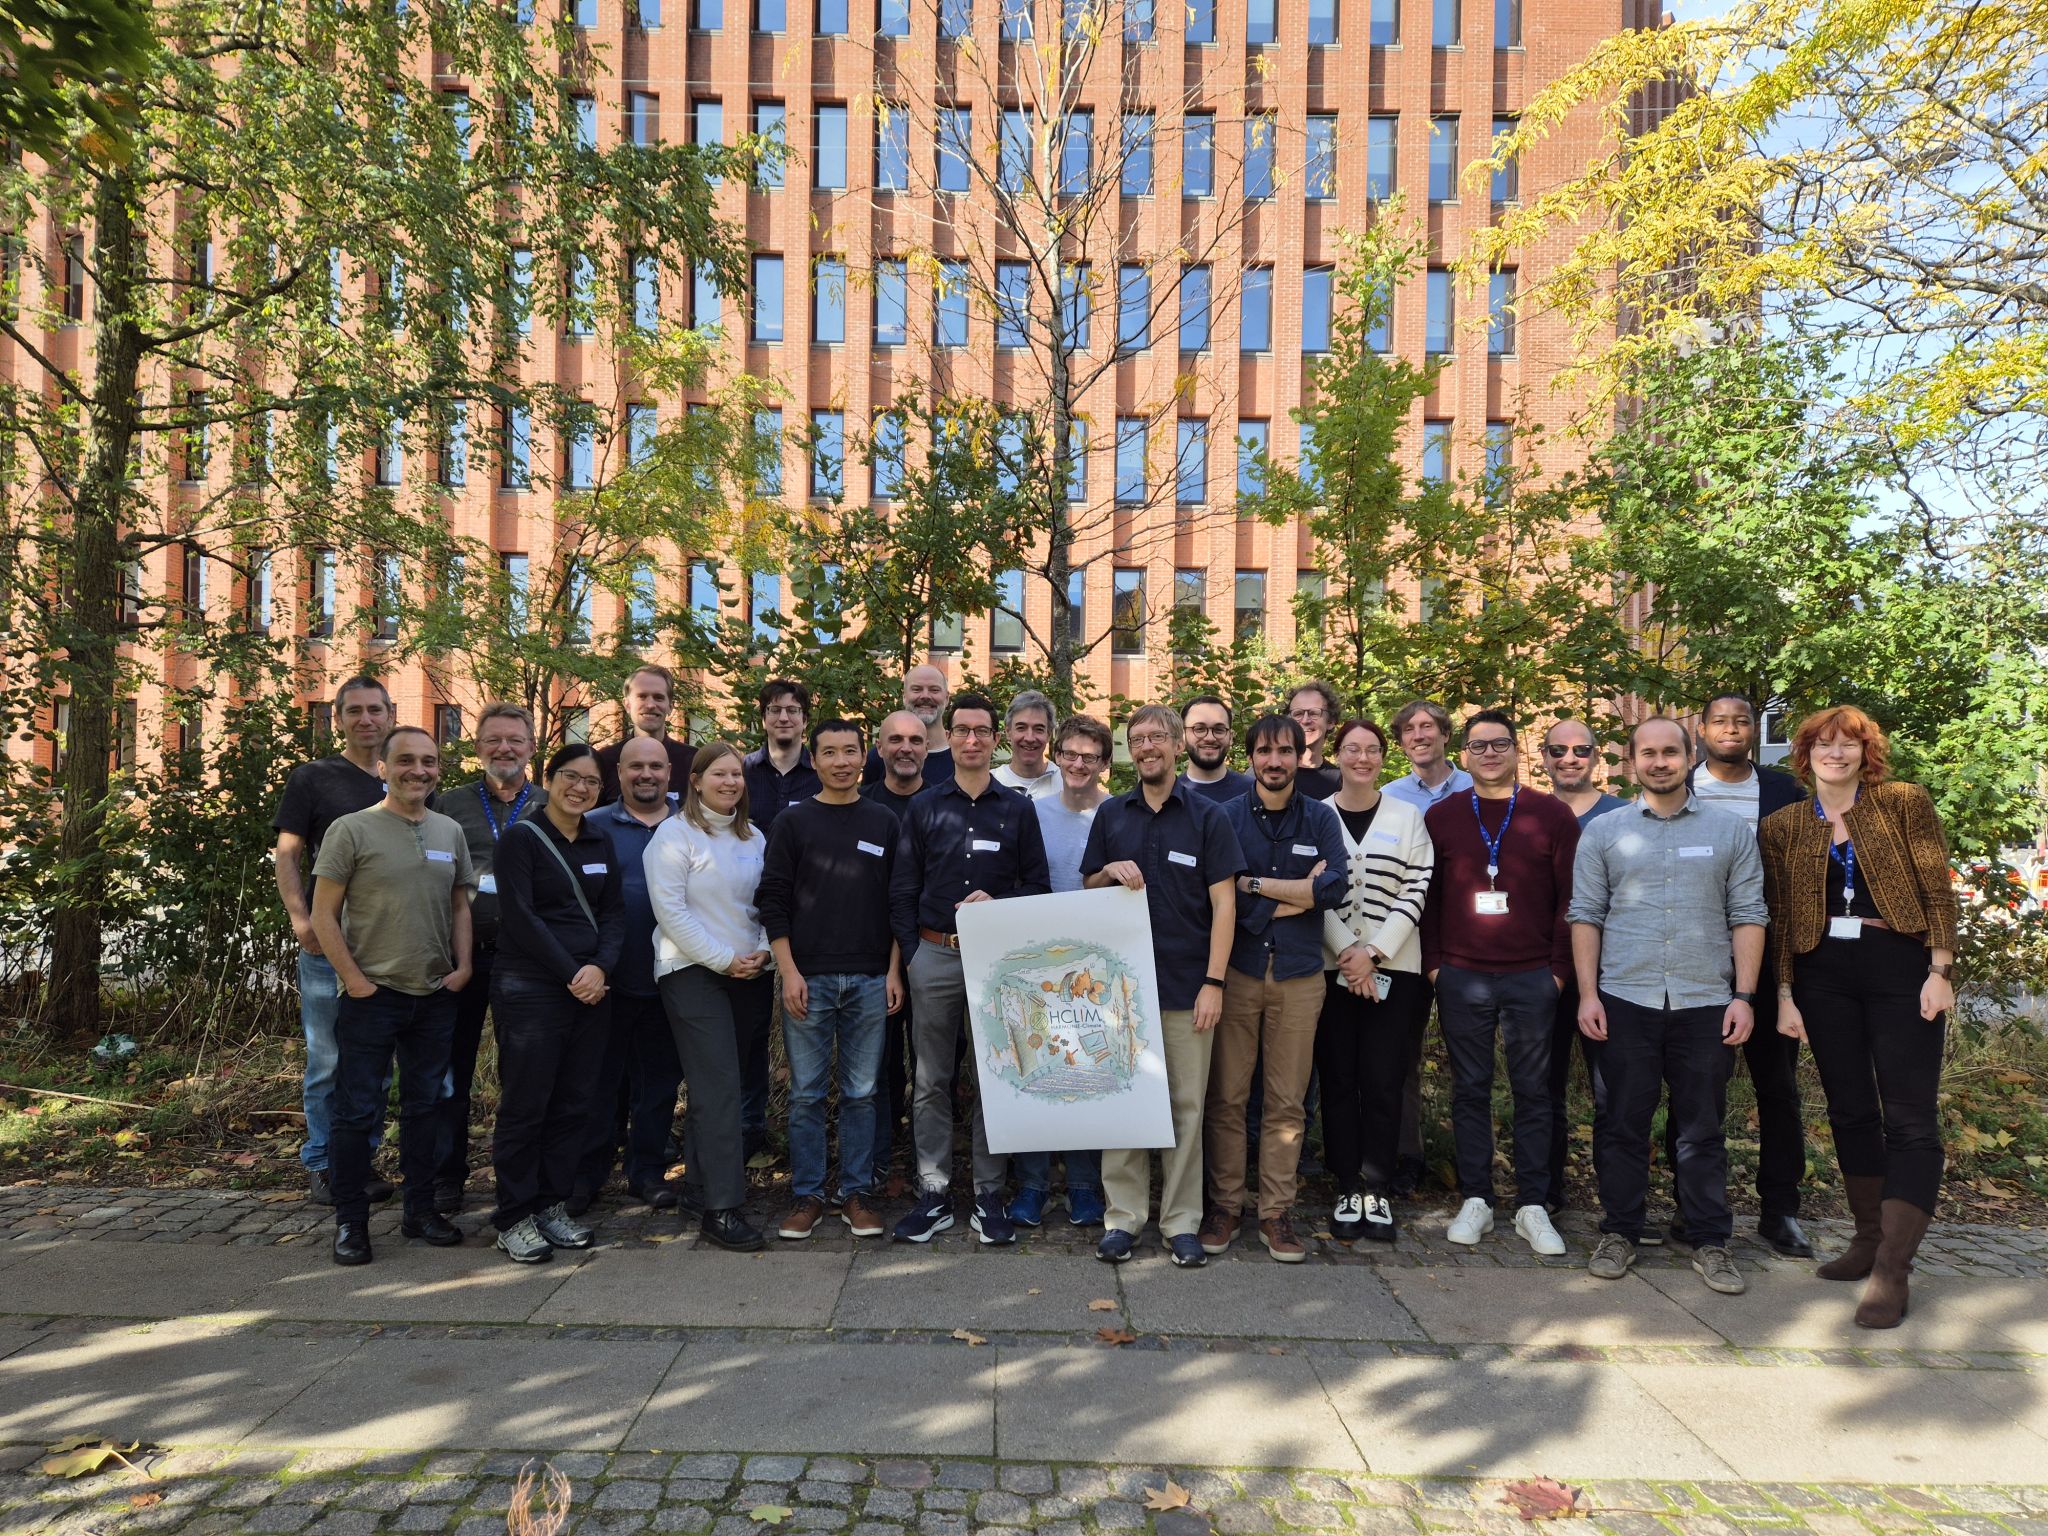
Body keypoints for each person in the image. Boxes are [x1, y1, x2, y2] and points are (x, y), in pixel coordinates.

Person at [1761, 706, 1957, 1329]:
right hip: (1821, 974)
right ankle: (1868, 1238)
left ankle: (1893, 1269)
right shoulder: (1785, 824)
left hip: (1900, 967)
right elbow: (1781, 916)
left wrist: (1939, 970)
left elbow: (1937, 888)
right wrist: (1785, 993)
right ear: (1805, 755)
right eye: (1823, 744)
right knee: (1849, 1110)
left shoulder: (1902, 802)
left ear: (1865, 752)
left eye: (1848, 743)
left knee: (1910, 1117)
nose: (1835, 753)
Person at [1571, 717, 1766, 1297]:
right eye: (1648, 754)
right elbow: (1586, 915)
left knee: (1702, 1129)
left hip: (1706, 1000)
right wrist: (1588, 994)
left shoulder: (1730, 831)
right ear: (1631, 762)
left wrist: (1744, 997)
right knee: (1621, 1123)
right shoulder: (1604, 832)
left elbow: (1748, 914)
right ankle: (1620, 1231)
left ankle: (1709, 1239)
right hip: (1624, 997)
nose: (1659, 763)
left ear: (1689, 755)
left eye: (1670, 752)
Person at [307, 725, 475, 1266]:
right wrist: (354, 980)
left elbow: (459, 905)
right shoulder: (351, 829)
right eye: (405, 760)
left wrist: (464, 967)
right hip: (371, 995)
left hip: (435, 993)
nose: (418, 770)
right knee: (357, 1112)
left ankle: (419, 1212)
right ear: (383, 767)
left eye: (428, 761)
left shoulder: (449, 830)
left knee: (426, 1108)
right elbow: (323, 914)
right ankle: (351, 1222)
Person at [888, 691, 1051, 1245]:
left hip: (996, 961)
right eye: (963, 730)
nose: (973, 740)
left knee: (993, 1079)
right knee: (930, 1079)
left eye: (983, 731)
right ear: (950, 737)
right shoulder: (925, 806)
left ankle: (988, 1194)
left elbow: (1038, 886)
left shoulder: (1018, 809)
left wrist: (999, 904)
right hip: (933, 954)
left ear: (995, 739)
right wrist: (912, 954)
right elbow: (903, 888)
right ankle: (933, 1193)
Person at [1084, 704, 1243, 1267]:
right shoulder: (1111, 814)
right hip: (1119, 993)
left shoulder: (1208, 817)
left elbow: (1225, 906)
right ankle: (1123, 1219)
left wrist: (1214, 982)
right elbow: (1088, 887)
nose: (1147, 747)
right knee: (1124, 1103)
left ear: (1178, 745)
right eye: (1137, 740)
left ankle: (1181, 1223)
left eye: (1157, 737)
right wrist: (1109, 872)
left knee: (1186, 1110)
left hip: (1186, 985)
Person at [1421, 709, 1576, 1257]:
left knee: (1535, 1091)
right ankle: (1477, 1199)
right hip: (1461, 975)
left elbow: (1570, 899)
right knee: (1470, 1088)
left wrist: (1558, 972)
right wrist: (1436, 965)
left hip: (1533, 975)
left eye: (1500, 744)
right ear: (1463, 754)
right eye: (1479, 745)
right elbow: (1429, 898)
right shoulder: (1442, 817)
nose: (1489, 753)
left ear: (1517, 751)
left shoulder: (1551, 814)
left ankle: (1533, 1204)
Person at [1203, 714, 1348, 1262]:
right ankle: (1226, 1205)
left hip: (1299, 976)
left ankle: (1275, 1212)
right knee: (1227, 1098)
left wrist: (1258, 886)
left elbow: (1332, 889)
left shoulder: (1322, 817)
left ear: (1300, 756)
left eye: (1285, 751)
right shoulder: (1225, 816)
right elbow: (1222, 898)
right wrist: (1295, 895)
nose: (1274, 761)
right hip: (1238, 973)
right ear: (1251, 757)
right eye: (1264, 751)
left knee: (1287, 1102)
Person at [757, 719, 904, 1241]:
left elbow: (897, 901)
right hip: (808, 979)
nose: (841, 761)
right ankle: (809, 1194)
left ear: (865, 757)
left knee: (862, 1094)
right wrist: (788, 972)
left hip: (871, 978)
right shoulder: (793, 822)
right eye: (830, 752)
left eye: (850, 751)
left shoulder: (884, 821)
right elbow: (772, 899)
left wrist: (893, 971)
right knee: (806, 1095)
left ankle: (856, 1193)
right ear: (813, 760)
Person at [1680, 692, 1813, 1258]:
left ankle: (1780, 1210)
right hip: (1696, 959)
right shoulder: (1680, 786)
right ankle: (1692, 1206)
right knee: (1694, 1091)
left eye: (1741, 721)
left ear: (1754, 730)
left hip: (1773, 957)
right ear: (1701, 730)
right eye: (1719, 721)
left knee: (1777, 1087)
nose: (1731, 729)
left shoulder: (1785, 791)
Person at [487, 744, 626, 1264]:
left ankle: (551, 1204)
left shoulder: (599, 839)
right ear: (549, 778)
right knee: (527, 1104)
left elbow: (614, 914)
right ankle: (513, 1216)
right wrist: (572, 973)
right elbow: (521, 918)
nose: (581, 788)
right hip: (531, 989)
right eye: (572, 776)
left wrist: (601, 968)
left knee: (573, 1103)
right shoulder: (521, 839)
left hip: (591, 989)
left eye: (592, 782)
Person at [274, 676, 400, 1207]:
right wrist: (301, 920)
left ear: (391, 715)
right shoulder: (314, 778)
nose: (366, 719)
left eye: (375, 709)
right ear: (338, 719)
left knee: (377, 1064)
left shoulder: (404, 776)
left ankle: (360, 1159)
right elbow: (287, 854)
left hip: (388, 946)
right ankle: (323, 1162)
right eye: (355, 711)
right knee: (328, 1060)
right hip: (328, 942)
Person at [646, 741, 774, 1252]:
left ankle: (698, 1189)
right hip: (691, 971)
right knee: (719, 1086)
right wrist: (723, 958)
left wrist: (763, 950)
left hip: (748, 972)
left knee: (726, 1085)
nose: (730, 782)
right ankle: (722, 1209)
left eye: (737, 775)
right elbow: (670, 912)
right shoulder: (673, 835)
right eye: (718, 774)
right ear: (695, 781)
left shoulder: (754, 837)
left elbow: (767, 903)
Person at [1316, 719, 1434, 1243]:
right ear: (1337, 755)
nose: (1361, 758)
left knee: (1385, 1079)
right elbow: (1310, 888)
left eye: (1371, 749)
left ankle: (1378, 1186)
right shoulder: (1316, 815)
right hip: (1332, 967)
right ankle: (1347, 1183)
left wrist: (1375, 953)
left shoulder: (1408, 817)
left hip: (1396, 968)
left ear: (1384, 757)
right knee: (1339, 1079)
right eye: (1351, 749)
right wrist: (1348, 950)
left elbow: (1417, 886)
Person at [436, 702, 545, 1214]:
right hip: (462, 957)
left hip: (527, 964)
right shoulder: (448, 804)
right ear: (478, 747)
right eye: (494, 740)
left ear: (532, 747)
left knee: (523, 1075)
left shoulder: (551, 804)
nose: (505, 748)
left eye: (515, 740)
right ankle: (445, 1177)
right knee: (450, 1072)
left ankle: (521, 1182)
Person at [1008, 714, 1114, 1231]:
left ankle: (1083, 1186)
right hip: (1034, 961)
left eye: (1089, 757)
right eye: (1069, 754)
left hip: (1095, 965)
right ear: (1057, 755)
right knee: (1035, 1068)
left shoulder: (1116, 813)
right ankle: (1032, 1185)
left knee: (1086, 1071)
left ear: (1104, 763)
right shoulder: (1031, 812)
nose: (1078, 764)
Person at [581, 736, 685, 1213]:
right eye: (636, 766)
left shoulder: (690, 824)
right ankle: (588, 1175)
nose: (647, 774)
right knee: (599, 1084)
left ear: (669, 773)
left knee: (658, 1086)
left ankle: (646, 1173)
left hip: (671, 978)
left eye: (656, 766)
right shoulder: (593, 825)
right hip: (606, 979)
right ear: (618, 773)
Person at [1379, 699, 1472, 1195]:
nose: (1419, 735)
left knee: (1471, 1060)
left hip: (1466, 939)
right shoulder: (1388, 798)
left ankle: (1473, 1163)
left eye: (1427, 726)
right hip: (1405, 941)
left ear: (1445, 734)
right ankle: (1406, 1156)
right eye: (1409, 729)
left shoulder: (1477, 787)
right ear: (1400, 742)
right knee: (1402, 1055)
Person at [1536, 717, 1624, 1216]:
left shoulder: (1623, 816)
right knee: (1543, 1089)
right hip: (1544, 972)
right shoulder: (1529, 814)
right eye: (1558, 750)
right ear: (1543, 758)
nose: (1569, 759)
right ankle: (1546, 1195)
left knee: (1612, 1091)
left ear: (1597, 756)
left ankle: (1617, 1202)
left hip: (1610, 975)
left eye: (1580, 750)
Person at [861, 709, 931, 1187]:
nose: (906, 748)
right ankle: (879, 1159)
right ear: (879, 747)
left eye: (915, 740)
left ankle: (930, 1163)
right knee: (880, 1065)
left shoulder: (942, 803)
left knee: (934, 1066)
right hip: (873, 956)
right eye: (896, 740)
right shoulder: (861, 804)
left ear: (927, 748)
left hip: (933, 954)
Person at [596, 664, 696, 805]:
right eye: (642, 696)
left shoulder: (693, 762)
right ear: (627, 705)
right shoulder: (604, 761)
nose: (650, 705)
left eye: (658, 697)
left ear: (670, 706)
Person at [742, 678, 821, 833]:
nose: (783, 718)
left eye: (792, 710)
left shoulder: (821, 774)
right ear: (763, 720)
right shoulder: (741, 771)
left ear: (805, 721)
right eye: (775, 710)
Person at [863, 664, 956, 787]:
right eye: (917, 689)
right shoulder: (881, 756)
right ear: (904, 697)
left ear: (947, 698)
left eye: (934, 690)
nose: (925, 696)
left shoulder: (961, 755)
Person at [1179, 695, 1252, 804]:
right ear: (1182, 736)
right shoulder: (1169, 795)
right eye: (1199, 729)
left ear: (1230, 737)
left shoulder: (1254, 792)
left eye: (1219, 729)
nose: (1210, 738)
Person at [991, 690, 1062, 799]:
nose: (1029, 738)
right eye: (1021, 728)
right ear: (1008, 732)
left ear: (1048, 735)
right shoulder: (990, 784)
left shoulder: (1065, 783)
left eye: (1038, 729)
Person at [1287, 682, 1344, 799]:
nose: (1305, 720)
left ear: (1331, 722)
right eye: (1298, 714)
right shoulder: (1267, 773)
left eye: (1314, 713)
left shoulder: (1341, 782)